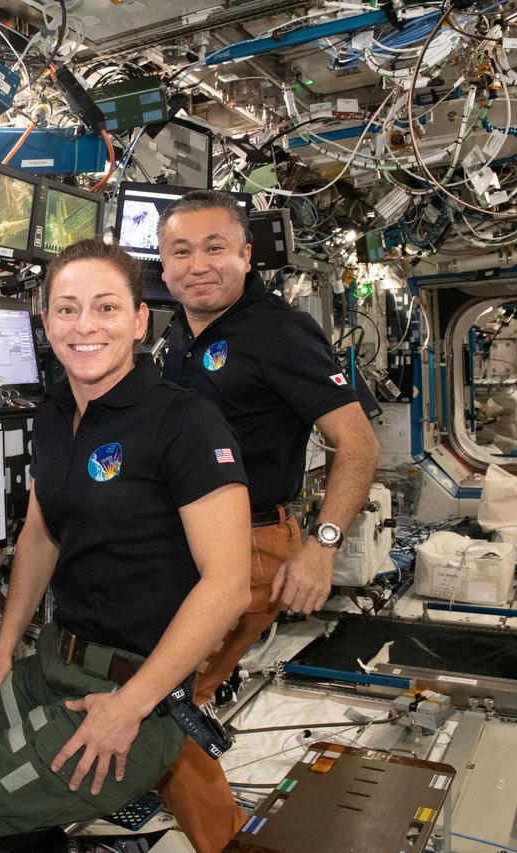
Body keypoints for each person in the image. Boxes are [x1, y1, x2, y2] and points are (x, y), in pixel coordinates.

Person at [0, 239, 255, 851]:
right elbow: (41, 532)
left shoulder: (184, 423)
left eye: (106, 308)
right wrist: (4, 648)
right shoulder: (54, 411)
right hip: (55, 667)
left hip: (134, 694)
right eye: (66, 309)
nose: (84, 326)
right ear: (45, 322)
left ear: (141, 320)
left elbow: (228, 586)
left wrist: (131, 708)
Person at [153, 190, 380, 852]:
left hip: (247, 546)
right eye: (181, 250)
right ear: (163, 265)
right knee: (175, 692)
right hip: (189, 546)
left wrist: (323, 547)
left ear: (247, 256)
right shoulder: (178, 333)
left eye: (215, 247)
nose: (198, 264)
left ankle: (223, 839)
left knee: (158, 698)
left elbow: (359, 444)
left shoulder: (277, 331)